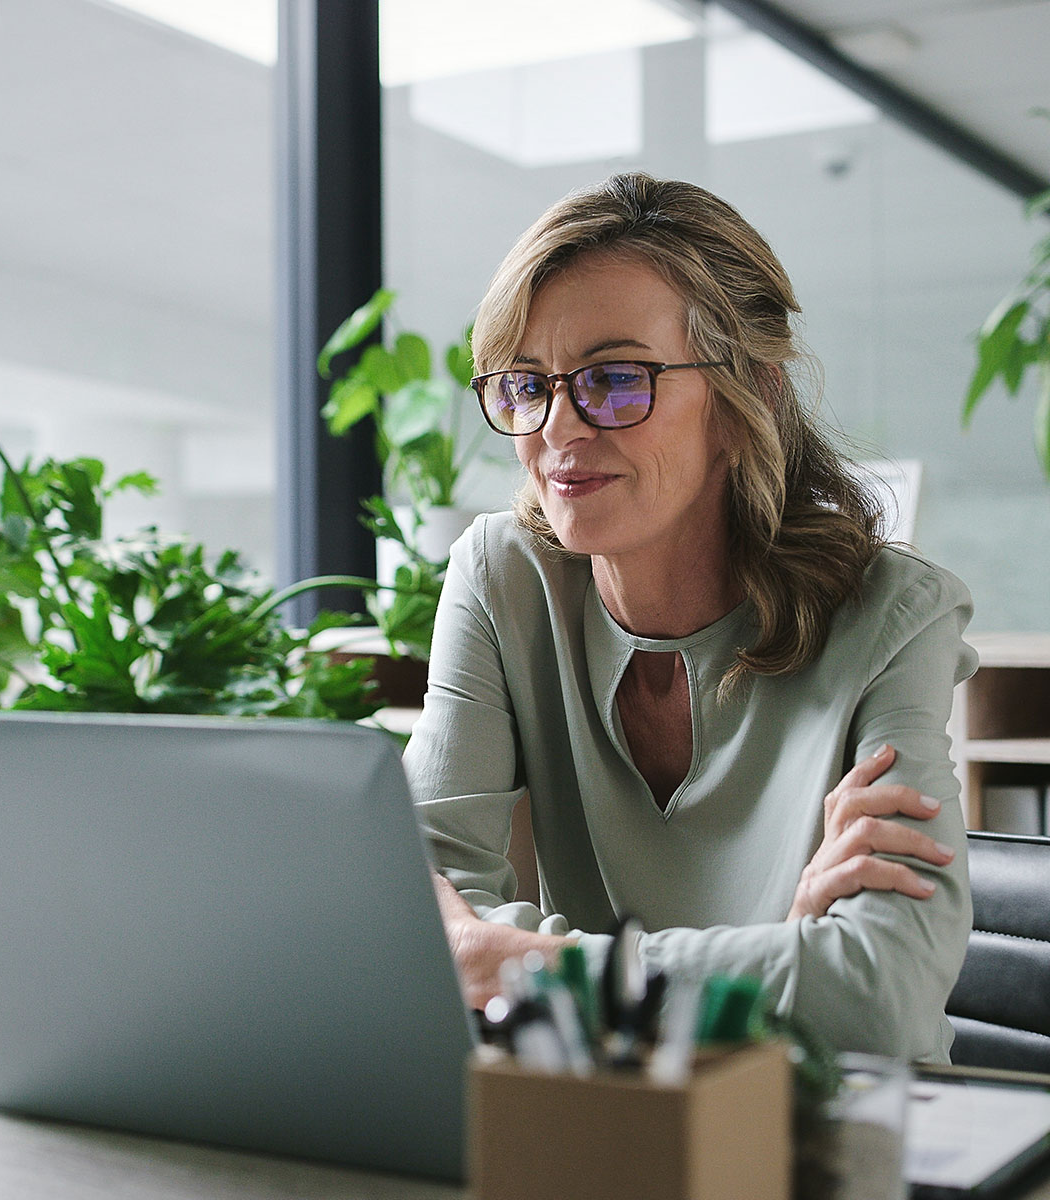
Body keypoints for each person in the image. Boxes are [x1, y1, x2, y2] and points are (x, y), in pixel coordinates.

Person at [405, 172, 975, 1061]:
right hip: (596, 1130)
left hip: (835, 1141)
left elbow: (877, 995)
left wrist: (520, 961)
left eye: (615, 379)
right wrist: (778, 961)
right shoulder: (502, 577)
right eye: (525, 384)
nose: (559, 427)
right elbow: (412, 927)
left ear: (748, 400)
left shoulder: (894, 617)